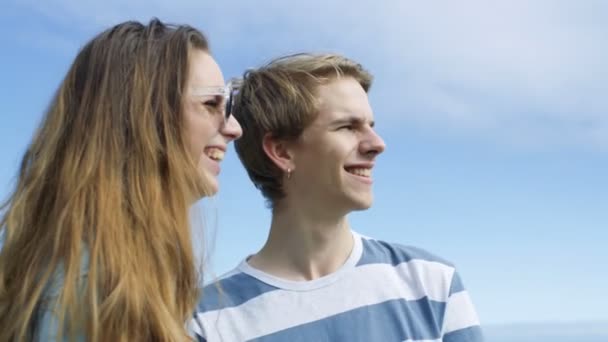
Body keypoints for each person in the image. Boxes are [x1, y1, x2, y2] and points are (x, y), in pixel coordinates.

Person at [192, 53, 483, 341]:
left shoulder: (431, 284)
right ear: (281, 152)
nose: (377, 144)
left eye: (371, 125)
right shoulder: (206, 323)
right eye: (347, 127)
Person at [0, 18, 242, 341]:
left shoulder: (99, 272)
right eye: (212, 103)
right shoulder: (93, 291)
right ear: (142, 120)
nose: (234, 128)